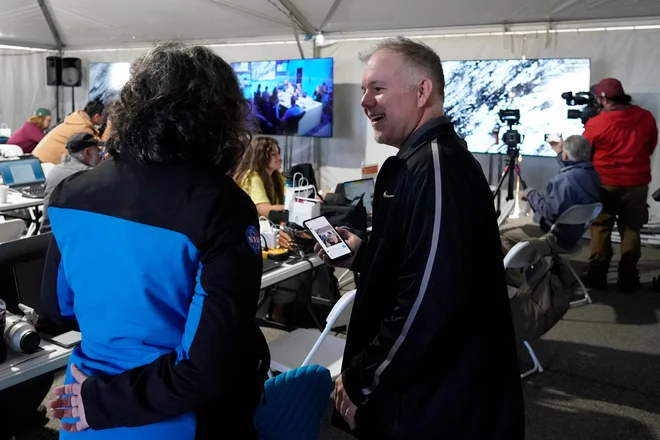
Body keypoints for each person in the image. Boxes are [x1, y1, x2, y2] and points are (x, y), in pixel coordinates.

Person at [43, 42, 269, 439]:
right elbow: (206, 367)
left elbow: (58, 307)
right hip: (174, 418)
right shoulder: (223, 206)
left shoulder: (70, 194)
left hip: (83, 408)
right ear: (220, 118)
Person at [316, 36, 524, 439]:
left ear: (423, 90)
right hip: (420, 393)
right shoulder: (420, 163)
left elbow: (429, 297)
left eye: (378, 88)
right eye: (363, 90)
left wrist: (362, 377)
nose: (365, 101)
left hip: (430, 402)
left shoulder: (435, 169)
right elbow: (418, 263)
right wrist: (362, 256)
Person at [583, 78, 658, 292]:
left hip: (605, 184)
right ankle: (628, 277)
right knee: (632, 228)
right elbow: (651, 146)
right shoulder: (646, 117)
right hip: (637, 183)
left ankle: (597, 275)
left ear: (605, 100)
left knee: (600, 227)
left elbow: (584, 152)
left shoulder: (597, 123)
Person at [500, 135, 601, 254]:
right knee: (514, 224)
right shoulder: (593, 176)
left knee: (501, 235)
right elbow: (572, 170)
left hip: (553, 237)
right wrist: (561, 154)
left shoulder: (563, 180)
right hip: (573, 236)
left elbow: (549, 211)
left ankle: (514, 273)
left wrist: (530, 194)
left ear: (566, 155)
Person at [39, 132, 103, 234]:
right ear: (87, 153)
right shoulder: (91, 175)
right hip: (71, 240)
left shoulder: (54, 171)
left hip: (47, 237)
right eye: (98, 151)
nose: (101, 155)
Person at [32, 100, 105, 165]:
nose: (104, 120)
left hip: (37, 158)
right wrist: (110, 126)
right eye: (104, 117)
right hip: (44, 163)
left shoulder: (77, 120)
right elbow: (102, 147)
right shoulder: (83, 128)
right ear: (97, 116)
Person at [234, 136, 285, 217]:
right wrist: (294, 208)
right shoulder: (252, 177)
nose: (279, 158)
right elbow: (264, 210)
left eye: (278, 153)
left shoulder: (277, 177)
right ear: (260, 156)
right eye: (273, 154)